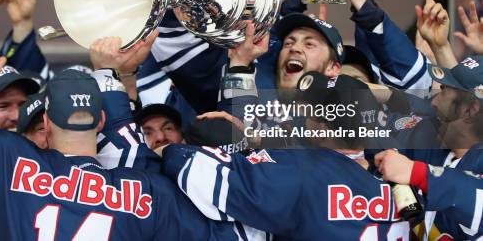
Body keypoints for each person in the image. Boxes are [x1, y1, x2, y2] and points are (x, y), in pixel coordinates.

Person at [0, 0, 263, 241]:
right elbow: (241, 228)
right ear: (98, 120)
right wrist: (113, 77)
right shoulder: (146, 188)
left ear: (46, 126)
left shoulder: (5, 159)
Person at [159, 71, 413, 240]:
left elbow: (202, 173)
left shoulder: (300, 172)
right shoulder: (403, 173)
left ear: (322, 126)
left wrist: (169, 149)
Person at [375, 55, 483, 239]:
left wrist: (416, 172)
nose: (434, 101)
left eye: (444, 91)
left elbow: (473, 199)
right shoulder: (431, 139)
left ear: (469, 110)